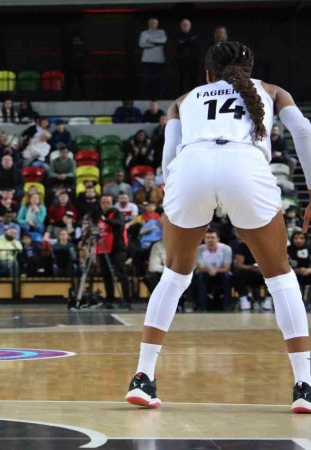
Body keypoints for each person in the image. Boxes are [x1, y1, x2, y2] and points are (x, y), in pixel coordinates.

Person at [126, 41, 311, 413]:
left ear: (207, 74)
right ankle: (305, 385)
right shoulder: (272, 91)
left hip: (190, 164)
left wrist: (175, 192)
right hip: (243, 164)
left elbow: (168, 155)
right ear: (250, 69)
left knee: (175, 275)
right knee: (279, 277)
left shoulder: (184, 98)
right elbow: (304, 131)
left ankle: (143, 378)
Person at [193, 229, 233, 311]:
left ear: (218, 239)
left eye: (212, 237)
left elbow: (227, 267)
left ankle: (227, 306)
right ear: (204, 239)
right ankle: (202, 307)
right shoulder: (199, 249)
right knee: (199, 276)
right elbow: (200, 267)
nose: (210, 240)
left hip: (221, 272)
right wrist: (209, 270)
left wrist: (216, 271)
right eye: (207, 238)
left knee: (227, 276)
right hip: (205, 272)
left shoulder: (226, 249)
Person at [139, 17, 167, 100]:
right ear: (148, 23)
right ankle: (147, 97)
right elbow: (142, 44)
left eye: (155, 23)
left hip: (159, 60)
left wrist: (149, 41)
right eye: (151, 23)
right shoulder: (144, 33)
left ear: (157, 24)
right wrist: (155, 43)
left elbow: (163, 41)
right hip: (147, 60)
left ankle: (158, 97)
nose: (153, 24)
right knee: (148, 79)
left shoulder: (161, 32)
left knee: (158, 80)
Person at [175, 19, 200, 92]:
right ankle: (181, 97)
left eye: (187, 25)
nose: (185, 26)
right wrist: (189, 41)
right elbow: (177, 44)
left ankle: (193, 96)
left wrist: (183, 42)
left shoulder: (195, 35)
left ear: (190, 26)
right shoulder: (177, 35)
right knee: (180, 80)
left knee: (192, 79)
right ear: (180, 26)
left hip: (192, 60)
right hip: (180, 61)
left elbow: (196, 45)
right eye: (183, 25)